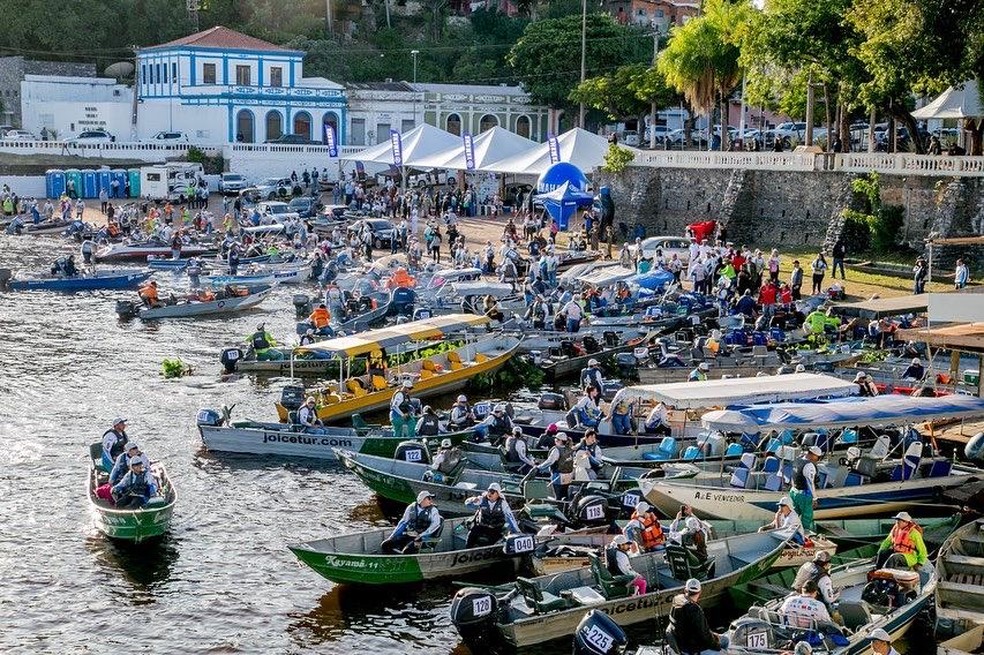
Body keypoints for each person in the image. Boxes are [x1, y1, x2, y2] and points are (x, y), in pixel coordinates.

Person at [666, 578, 729, 655]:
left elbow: (700, 631)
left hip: (681, 641)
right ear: (700, 592)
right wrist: (718, 647)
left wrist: (713, 635)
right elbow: (705, 636)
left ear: (685, 590)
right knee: (724, 646)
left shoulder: (677, 599)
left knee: (725, 640)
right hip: (692, 649)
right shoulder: (694, 610)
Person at [464, 482, 519, 548]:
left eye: (492, 492)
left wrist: (516, 531)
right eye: (489, 491)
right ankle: (468, 550)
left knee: (491, 543)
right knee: (471, 536)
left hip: (495, 529)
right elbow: (467, 503)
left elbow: (510, 517)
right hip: (481, 526)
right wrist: (472, 499)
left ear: (498, 494)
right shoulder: (481, 499)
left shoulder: (503, 503)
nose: (489, 493)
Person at [536, 431, 575, 499]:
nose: (555, 440)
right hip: (569, 476)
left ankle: (559, 507)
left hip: (558, 477)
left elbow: (549, 462)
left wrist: (539, 467)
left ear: (560, 441)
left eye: (556, 439)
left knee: (558, 496)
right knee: (565, 495)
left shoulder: (556, 450)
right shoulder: (570, 449)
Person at [790, 445, 821, 531]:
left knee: (795, 513)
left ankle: (790, 528)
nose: (817, 460)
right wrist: (815, 498)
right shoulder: (809, 465)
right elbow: (810, 483)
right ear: (813, 455)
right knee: (807, 516)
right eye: (817, 458)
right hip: (804, 495)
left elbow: (792, 476)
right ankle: (804, 533)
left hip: (793, 491)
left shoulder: (797, 460)